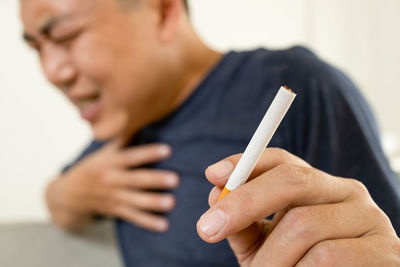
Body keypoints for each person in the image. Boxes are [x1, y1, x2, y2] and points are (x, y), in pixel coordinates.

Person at [20, 0, 400, 266]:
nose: (52, 72)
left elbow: (383, 239)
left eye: (66, 35)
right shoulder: (123, 127)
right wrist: (67, 194)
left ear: (164, 11)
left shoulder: (296, 84)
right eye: (36, 47)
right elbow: (61, 198)